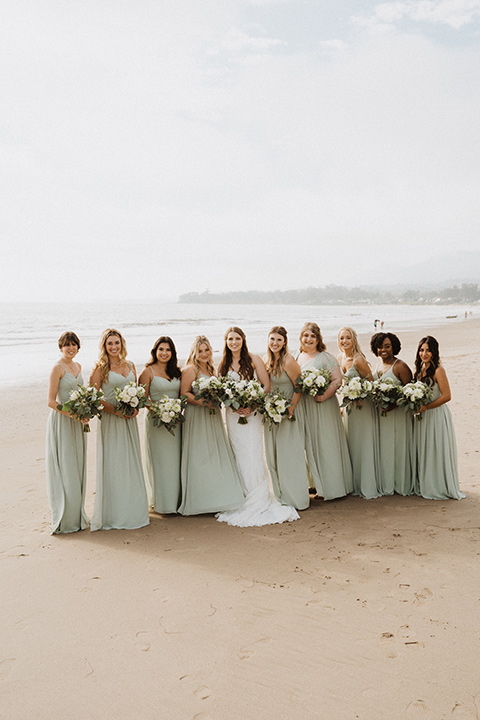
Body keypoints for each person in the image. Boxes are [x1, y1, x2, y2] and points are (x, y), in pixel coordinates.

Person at [216, 326, 299, 526]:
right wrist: (233, 405)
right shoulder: (223, 363)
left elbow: (265, 385)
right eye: (230, 339)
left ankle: (258, 497)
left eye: (237, 338)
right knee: (238, 453)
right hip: (233, 415)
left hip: (253, 415)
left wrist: (251, 404)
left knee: (252, 453)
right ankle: (242, 495)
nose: (233, 342)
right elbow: (220, 389)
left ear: (243, 340)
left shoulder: (254, 359)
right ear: (226, 341)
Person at [90, 329, 149, 531]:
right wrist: (116, 410)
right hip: (111, 420)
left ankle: (133, 509)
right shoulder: (100, 369)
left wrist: (135, 407)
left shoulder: (131, 365)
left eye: (116, 343)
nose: (114, 347)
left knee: (131, 462)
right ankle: (114, 513)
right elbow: (93, 397)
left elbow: (140, 392)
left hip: (129, 420)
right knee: (115, 463)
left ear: (122, 343)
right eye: (110, 344)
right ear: (104, 347)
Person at [178, 335, 244, 515]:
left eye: (207, 350)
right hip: (197, 416)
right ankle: (200, 500)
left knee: (214, 453)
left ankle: (217, 495)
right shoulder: (190, 370)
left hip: (212, 416)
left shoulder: (211, 369)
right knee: (199, 454)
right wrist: (202, 402)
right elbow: (184, 393)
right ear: (194, 352)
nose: (204, 353)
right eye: (200, 351)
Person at [297, 322, 353, 500]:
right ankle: (314, 483)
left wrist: (324, 396)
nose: (309, 339)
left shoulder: (325, 357)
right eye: (306, 335)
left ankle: (333, 486)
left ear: (318, 339)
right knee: (309, 445)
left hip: (323, 406)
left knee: (326, 443)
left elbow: (337, 380)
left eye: (313, 336)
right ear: (301, 337)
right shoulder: (296, 356)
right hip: (305, 406)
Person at [45, 331, 89, 534]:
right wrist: (73, 414)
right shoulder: (57, 368)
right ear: (61, 347)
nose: (71, 348)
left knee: (77, 465)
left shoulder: (78, 367)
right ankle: (66, 518)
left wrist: (86, 410)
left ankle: (77, 514)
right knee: (67, 465)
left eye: (74, 345)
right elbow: (51, 402)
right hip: (63, 421)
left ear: (78, 347)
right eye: (67, 345)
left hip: (77, 421)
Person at [263, 326, 309, 510]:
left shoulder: (288, 361)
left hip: (289, 414)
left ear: (284, 343)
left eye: (279, 340)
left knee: (289, 455)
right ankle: (280, 495)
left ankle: (296, 498)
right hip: (272, 415)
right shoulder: (267, 360)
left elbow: (299, 386)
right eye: (272, 339)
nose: (275, 343)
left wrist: (290, 408)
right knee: (273, 455)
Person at [412, 336, 465, 500]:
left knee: (436, 449)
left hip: (436, 415)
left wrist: (427, 406)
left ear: (434, 352)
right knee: (425, 449)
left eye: (428, 350)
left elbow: (447, 396)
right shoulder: (420, 369)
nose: (424, 353)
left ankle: (439, 486)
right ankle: (427, 482)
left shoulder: (438, 370)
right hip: (423, 416)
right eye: (422, 350)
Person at [337, 327, 382, 499]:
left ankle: (366, 485)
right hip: (349, 408)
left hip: (362, 407)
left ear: (354, 340)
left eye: (348, 338)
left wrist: (360, 396)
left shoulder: (359, 361)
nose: (344, 341)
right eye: (342, 338)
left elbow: (371, 385)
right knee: (351, 444)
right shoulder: (340, 357)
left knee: (362, 444)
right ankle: (353, 483)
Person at [139, 336, 182, 514]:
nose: (164, 353)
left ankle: (176, 501)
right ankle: (163, 503)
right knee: (160, 462)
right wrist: (158, 411)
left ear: (172, 353)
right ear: (155, 351)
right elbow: (141, 397)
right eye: (161, 349)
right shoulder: (148, 371)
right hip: (156, 422)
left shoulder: (178, 372)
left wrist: (173, 411)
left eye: (168, 350)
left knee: (175, 462)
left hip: (176, 423)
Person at [370, 332, 413, 496]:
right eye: (380, 346)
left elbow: (409, 392)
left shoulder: (400, 366)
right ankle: (387, 482)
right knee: (385, 448)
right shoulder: (378, 366)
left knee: (398, 447)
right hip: (382, 416)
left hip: (398, 415)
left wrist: (393, 405)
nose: (383, 350)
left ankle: (400, 484)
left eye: (387, 346)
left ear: (394, 346)